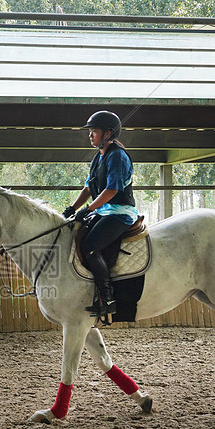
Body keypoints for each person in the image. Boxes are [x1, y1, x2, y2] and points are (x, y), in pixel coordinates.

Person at [62, 110, 139, 316]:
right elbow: (88, 188)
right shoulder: (98, 157)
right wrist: (73, 209)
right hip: (104, 211)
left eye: (94, 131)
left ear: (107, 133)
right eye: (90, 131)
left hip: (120, 213)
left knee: (90, 246)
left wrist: (88, 209)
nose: (90, 135)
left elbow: (112, 190)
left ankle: (107, 298)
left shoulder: (117, 156)